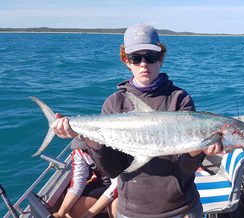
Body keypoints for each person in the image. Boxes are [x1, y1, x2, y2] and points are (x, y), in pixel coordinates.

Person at [51, 24, 223, 218]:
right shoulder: (114, 103)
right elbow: (113, 169)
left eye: (150, 57)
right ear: (126, 60)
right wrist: (90, 140)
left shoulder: (179, 99)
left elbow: (186, 167)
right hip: (132, 211)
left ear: (161, 58)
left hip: (181, 209)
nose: (143, 64)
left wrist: (198, 150)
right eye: (135, 57)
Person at [52, 137, 118, 218]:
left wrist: (89, 214)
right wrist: (60, 214)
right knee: (72, 212)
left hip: (125, 182)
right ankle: (104, 208)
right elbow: (77, 182)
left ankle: (106, 207)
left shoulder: (112, 147)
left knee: (116, 208)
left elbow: (118, 183)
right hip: (102, 181)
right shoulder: (79, 149)